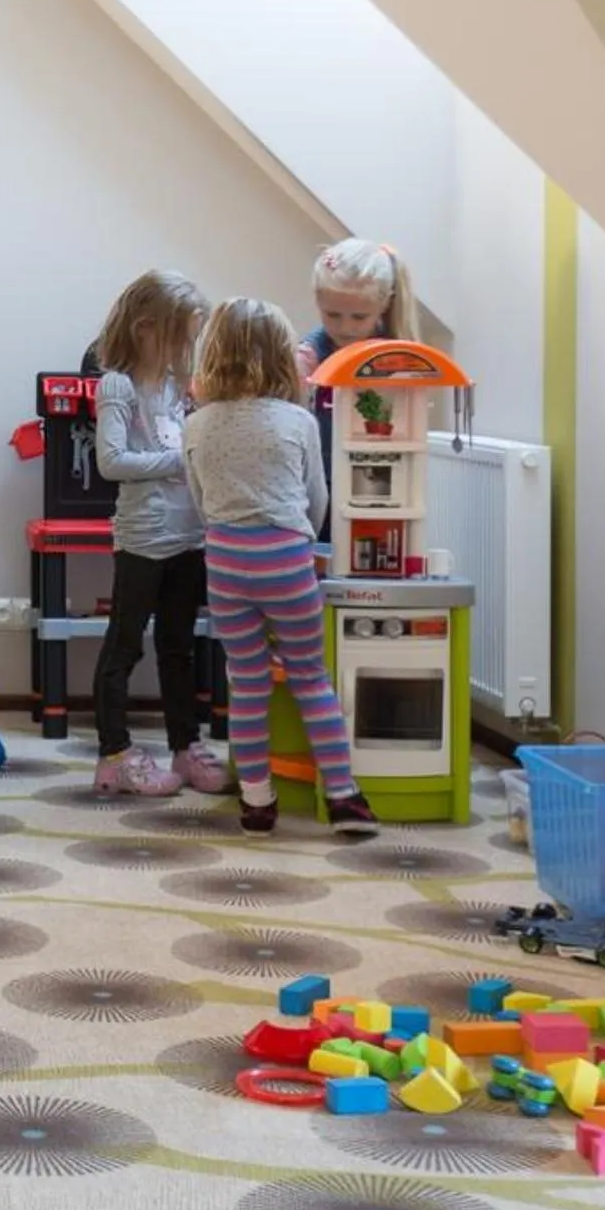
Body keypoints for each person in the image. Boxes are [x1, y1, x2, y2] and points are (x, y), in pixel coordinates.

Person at [182, 299, 379, 837]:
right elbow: (318, 501)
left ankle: (256, 801)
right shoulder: (297, 420)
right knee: (310, 677)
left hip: (224, 560)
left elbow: (199, 502)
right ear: (279, 357)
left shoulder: (197, 424)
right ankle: (343, 797)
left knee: (246, 684)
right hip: (287, 559)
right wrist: (297, 537)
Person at [86, 271, 224, 798]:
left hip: (189, 535)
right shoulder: (119, 385)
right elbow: (112, 460)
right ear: (146, 329)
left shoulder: (174, 386)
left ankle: (184, 748)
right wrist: (183, 460)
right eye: (181, 337)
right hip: (144, 538)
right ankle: (114, 754)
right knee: (124, 646)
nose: (188, 348)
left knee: (178, 647)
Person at [296, 238, 418, 474]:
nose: (346, 328)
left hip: (384, 482)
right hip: (323, 488)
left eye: (359, 317)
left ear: (384, 304)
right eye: (333, 315)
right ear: (317, 301)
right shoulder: (308, 359)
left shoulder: (400, 357)